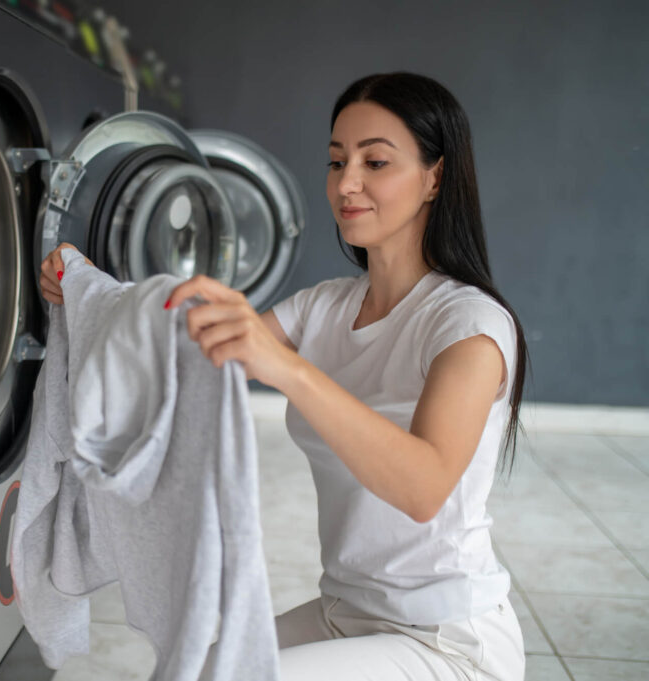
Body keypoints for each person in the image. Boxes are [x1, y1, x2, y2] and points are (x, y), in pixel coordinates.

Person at [39, 72, 528, 681]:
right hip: (346, 611)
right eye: (336, 161)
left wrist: (288, 368)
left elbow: (424, 488)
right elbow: (178, 357)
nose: (346, 184)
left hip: (445, 639)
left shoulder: (470, 325)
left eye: (375, 162)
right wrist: (89, 289)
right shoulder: (327, 306)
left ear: (435, 177)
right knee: (194, 672)